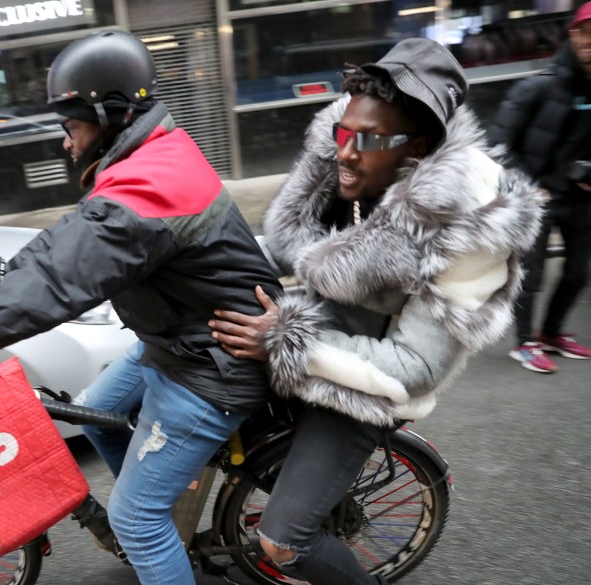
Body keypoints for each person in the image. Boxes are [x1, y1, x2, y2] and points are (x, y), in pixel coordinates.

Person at [0, 30, 282, 585]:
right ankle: (171, 513)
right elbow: (74, 243)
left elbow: (61, 279)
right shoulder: (151, 154)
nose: (65, 142)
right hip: (182, 341)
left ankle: (153, 527)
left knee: (135, 518)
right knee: (99, 410)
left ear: (111, 115)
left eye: (71, 126)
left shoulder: (146, 187)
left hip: (214, 366)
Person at [207, 38, 543, 584]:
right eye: (345, 131)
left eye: (370, 139)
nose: (345, 150)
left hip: (363, 390)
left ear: (420, 148)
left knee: (282, 539)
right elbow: (281, 247)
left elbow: (414, 368)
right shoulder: (338, 162)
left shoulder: (469, 224)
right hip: (314, 335)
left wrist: (287, 340)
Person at [487, 1, 591, 373]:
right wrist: (529, 189)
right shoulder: (538, 87)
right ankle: (525, 342)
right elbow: (497, 145)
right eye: (587, 32)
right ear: (574, 34)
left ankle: (551, 333)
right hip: (536, 195)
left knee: (579, 272)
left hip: (577, 196)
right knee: (530, 277)